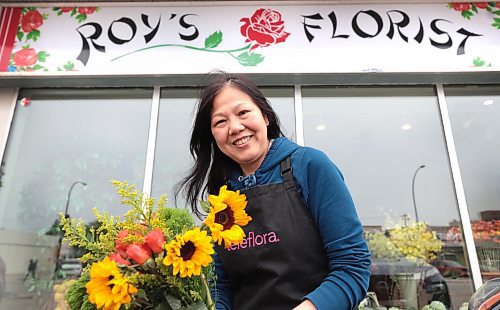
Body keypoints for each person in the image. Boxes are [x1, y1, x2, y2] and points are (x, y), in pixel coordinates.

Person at [177, 72, 371, 310]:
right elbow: (220, 285)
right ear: (213, 136)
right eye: (220, 121)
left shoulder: (309, 166)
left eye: (243, 113)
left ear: (266, 116)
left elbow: (352, 267)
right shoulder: (222, 197)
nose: (236, 127)